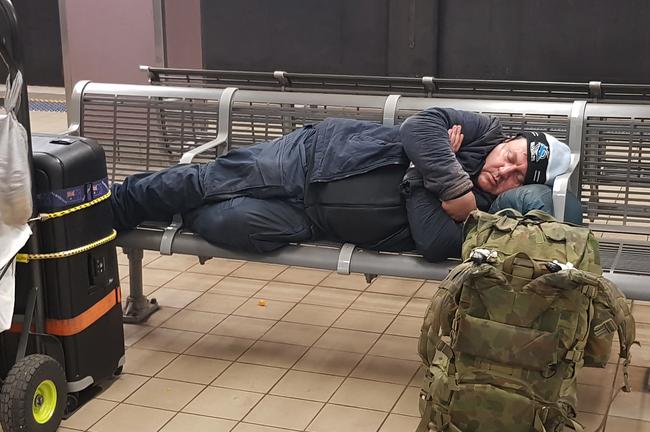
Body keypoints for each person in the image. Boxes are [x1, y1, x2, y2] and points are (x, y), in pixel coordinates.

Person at [110, 107, 582, 262]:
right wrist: (449, 186)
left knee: (223, 219)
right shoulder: (483, 132)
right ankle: (113, 207)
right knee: (210, 179)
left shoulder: (484, 214)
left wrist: (427, 174)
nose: (504, 170)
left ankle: (172, 206)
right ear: (512, 139)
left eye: (517, 176)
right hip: (314, 158)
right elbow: (420, 128)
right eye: (512, 157)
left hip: (314, 221)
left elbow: (436, 240)